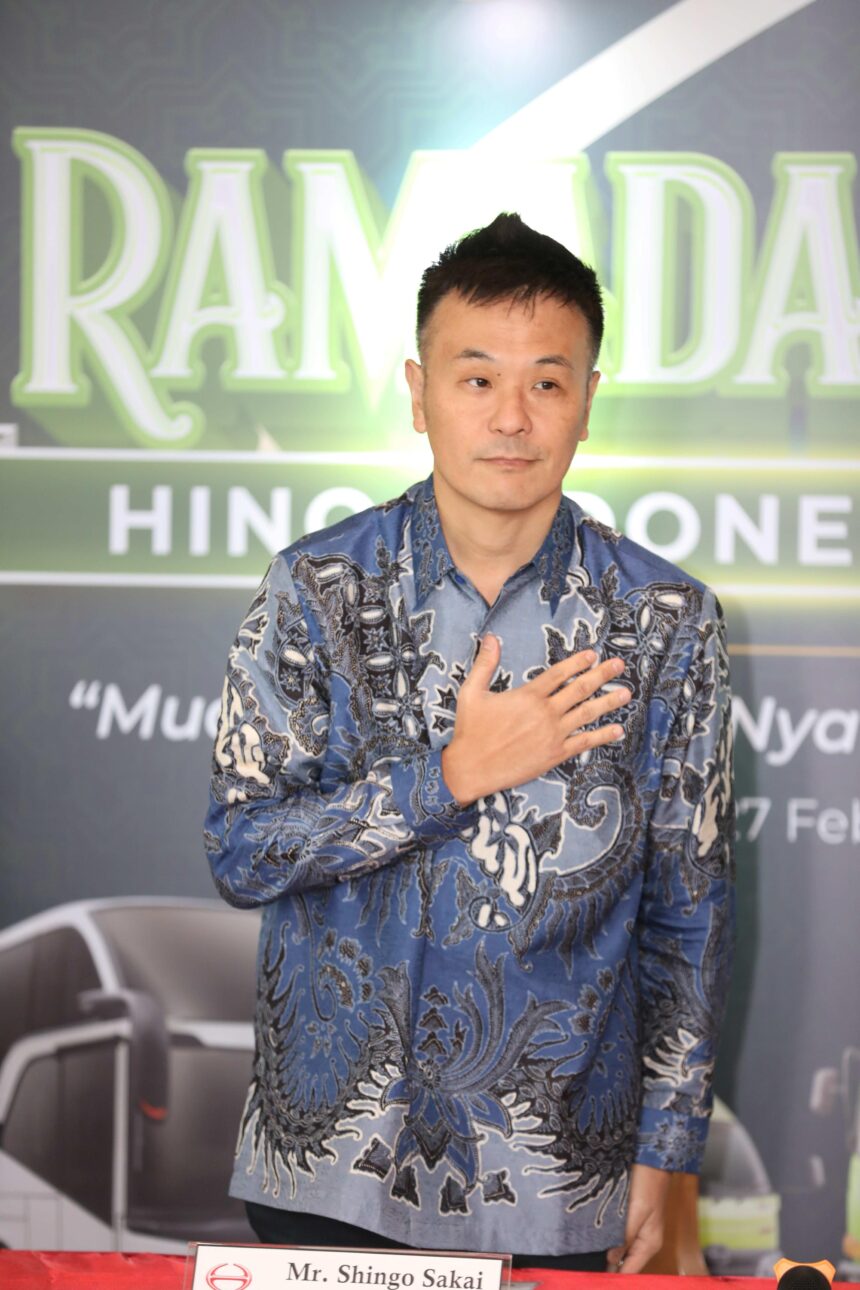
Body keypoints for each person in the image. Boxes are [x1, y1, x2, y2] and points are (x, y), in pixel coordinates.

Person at [205, 213, 734, 1272]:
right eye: (477, 378)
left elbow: (690, 906)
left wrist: (667, 1149)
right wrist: (450, 777)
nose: (511, 417)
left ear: (588, 399)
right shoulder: (315, 588)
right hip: (328, 1168)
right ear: (418, 393)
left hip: (560, 1182)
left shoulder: (665, 620)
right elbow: (241, 849)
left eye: (547, 382)